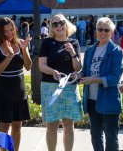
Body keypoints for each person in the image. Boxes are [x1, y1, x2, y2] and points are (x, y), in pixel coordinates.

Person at [0, 17, 32, 151]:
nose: (9, 34)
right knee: (4, 127)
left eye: (11, 30)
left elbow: (28, 67)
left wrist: (23, 50)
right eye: (5, 31)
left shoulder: (21, 43)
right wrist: (9, 56)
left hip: (19, 90)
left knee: (18, 125)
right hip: (3, 92)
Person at [39, 13, 83, 151]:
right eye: (55, 24)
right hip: (50, 87)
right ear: (51, 28)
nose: (59, 26)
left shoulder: (74, 43)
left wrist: (72, 53)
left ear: (66, 24)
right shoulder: (47, 43)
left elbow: (78, 67)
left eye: (61, 22)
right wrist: (53, 72)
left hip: (69, 87)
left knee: (68, 125)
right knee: (51, 125)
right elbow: (42, 65)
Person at [79, 17, 123, 151]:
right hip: (92, 99)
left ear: (112, 32)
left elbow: (115, 77)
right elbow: (85, 71)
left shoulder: (117, 51)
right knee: (95, 135)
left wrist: (94, 80)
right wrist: (78, 76)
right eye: (100, 29)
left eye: (106, 30)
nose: (103, 32)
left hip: (109, 100)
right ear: (96, 31)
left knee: (111, 137)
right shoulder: (89, 50)